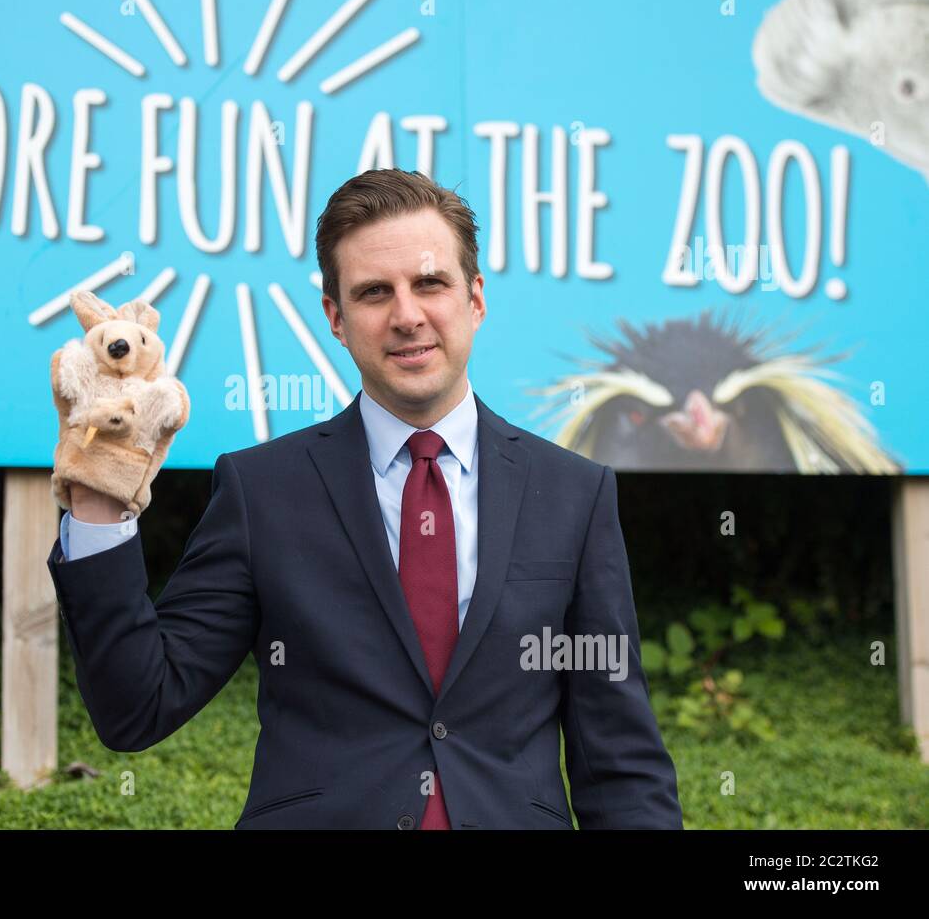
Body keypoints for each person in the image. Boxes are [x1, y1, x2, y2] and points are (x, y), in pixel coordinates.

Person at [47, 168, 683, 830]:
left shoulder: (576, 495)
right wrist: (99, 498)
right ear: (337, 319)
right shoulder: (262, 490)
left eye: (430, 283)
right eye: (375, 292)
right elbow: (137, 706)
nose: (407, 316)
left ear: (475, 299)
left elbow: (621, 764)